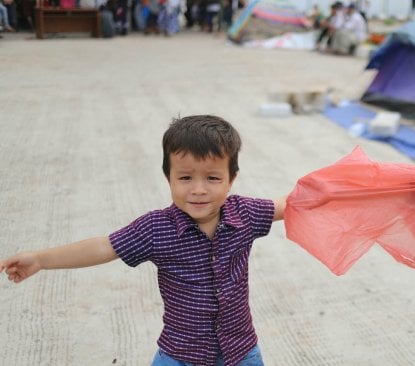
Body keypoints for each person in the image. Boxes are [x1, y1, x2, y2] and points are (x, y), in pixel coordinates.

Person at [0, 115, 288, 366]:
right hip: (181, 354)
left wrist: (334, 189)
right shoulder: (155, 229)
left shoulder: (245, 214)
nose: (198, 189)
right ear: (168, 177)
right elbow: (103, 247)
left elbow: (293, 203)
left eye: (213, 178)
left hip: (241, 352)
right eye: (186, 177)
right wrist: (40, 259)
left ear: (231, 178)